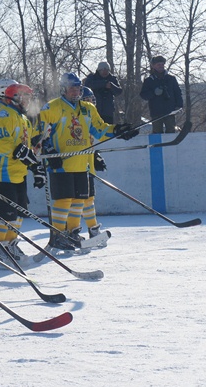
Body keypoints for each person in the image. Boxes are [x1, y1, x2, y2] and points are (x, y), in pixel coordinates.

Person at [36, 72, 138, 254]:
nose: (76, 91)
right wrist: (49, 150)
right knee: (63, 199)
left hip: (82, 163)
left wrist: (118, 130)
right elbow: (40, 134)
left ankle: (72, 233)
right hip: (61, 163)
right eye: (72, 88)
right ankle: (57, 235)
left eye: (78, 88)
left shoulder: (88, 109)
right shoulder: (52, 108)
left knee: (78, 200)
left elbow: (100, 129)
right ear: (63, 90)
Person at [0, 82, 42, 268]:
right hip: (1, 172)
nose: (27, 100)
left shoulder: (21, 117)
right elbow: (2, 143)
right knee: (3, 215)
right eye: (23, 96)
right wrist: (22, 152)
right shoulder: (0, 111)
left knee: (17, 215)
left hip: (18, 173)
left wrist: (34, 163)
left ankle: (10, 245)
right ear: (13, 97)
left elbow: (26, 146)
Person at [78, 86, 111, 249]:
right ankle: (72, 232)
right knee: (77, 201)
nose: (91, 103)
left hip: (87, 166)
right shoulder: (78, 118)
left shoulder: (90, 118)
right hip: (76, 167)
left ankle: (93, 230)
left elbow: (91, 140)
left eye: (92, 100)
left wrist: (95, 155)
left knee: (89, 199)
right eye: (88, 100)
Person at [139, 55, 183, 133]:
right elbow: (143, 95)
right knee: (157, 132)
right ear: (153, 66)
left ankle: (170, 145)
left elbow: (178, 93)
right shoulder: (149, 81)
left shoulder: (171, 79)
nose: (161, 66)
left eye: (162, 64)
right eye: (158, 65)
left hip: (170, 110)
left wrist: (179, 106)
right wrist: (154, 93)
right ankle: (157, 145)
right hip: (156, 112)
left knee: (171, 131)